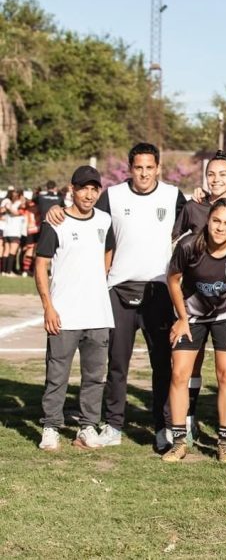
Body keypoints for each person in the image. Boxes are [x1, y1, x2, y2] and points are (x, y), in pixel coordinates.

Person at [46, 142, 186, 451]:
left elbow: (198, 222)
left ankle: (162, 427)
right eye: (139, 167)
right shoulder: (113, 196)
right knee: (116, 364)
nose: (144, 173)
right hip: (118, 291)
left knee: (162, 363)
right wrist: (56, 208)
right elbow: (84, 215)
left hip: (158, 291)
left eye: (150, 167)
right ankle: (113, 424)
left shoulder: (174, 196)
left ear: (159, 168)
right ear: (130, 168)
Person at [173, 150, 226, 446]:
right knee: (190, 365)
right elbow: (174, 242)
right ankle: (188, 420)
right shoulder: (194, 207)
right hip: (193, 304)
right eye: (211, 174)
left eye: (223, 174)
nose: (216, 179)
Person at [162, 198, 226, 463]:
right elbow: (173, 279)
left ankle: (224, 442)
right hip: (191, 316)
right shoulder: (189, 245)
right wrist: (181, 317)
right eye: (216, 220)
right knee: (179, 373)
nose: (220, 228)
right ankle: (179, 442)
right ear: (208, 220)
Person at [34, 166, 114, 451]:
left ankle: (87, 427)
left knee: (94, 377)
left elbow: (109, 250)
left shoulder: (104, 220)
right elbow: (40, 265)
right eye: (83, 188)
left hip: (98, 314)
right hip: (64, 314)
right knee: (57, 376)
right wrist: (48, 307)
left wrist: (98, 279)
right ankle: (51, 426)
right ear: (73, 190)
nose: (89, 194)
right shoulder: (56, 222)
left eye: (94, 189)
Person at [1, 189, 27, 276]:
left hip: (7, 231)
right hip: (14, 231)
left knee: (6, 251)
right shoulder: (18, 205)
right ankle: (9, 272)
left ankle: (4, 271)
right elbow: (16, 212)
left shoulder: (10, 204)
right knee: (12, 251)